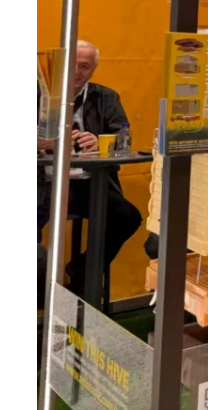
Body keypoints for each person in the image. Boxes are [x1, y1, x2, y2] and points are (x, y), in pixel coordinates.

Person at [37, 41, 143, 296]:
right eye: (71, 64)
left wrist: (100, 142)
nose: (76, 71)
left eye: (84, 66)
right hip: (40, 185)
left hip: (86, 184)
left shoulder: (106, 97)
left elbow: (123, 139)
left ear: (93, 70)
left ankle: (83, 271)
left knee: (126, 216)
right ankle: (43, 293)